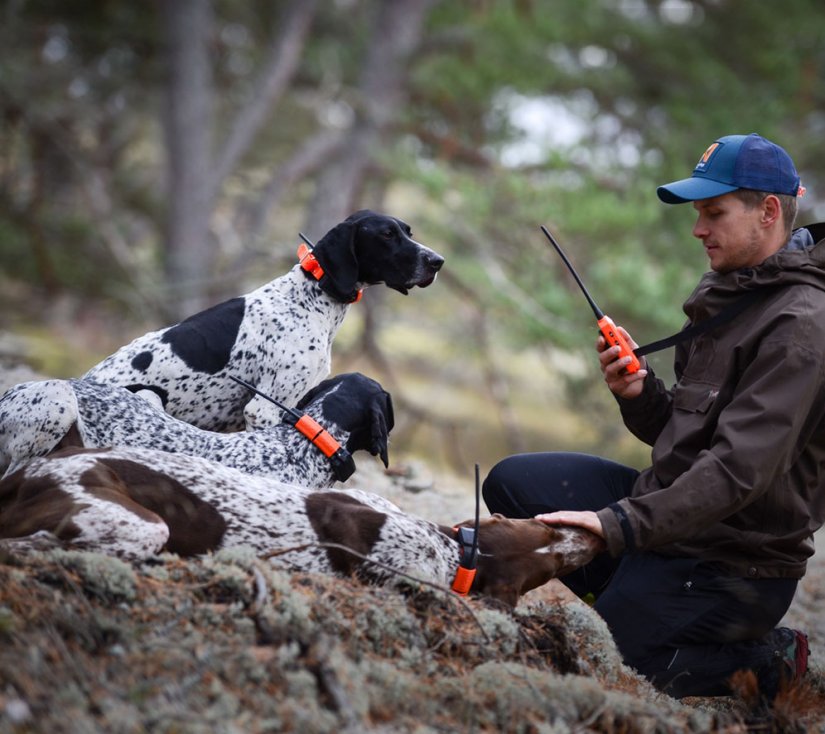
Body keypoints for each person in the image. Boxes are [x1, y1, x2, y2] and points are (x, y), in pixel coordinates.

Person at [483, 133, 824, 700]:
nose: (698, 230)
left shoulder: (802, 325)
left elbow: (737, 472)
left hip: (734, 562)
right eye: (697, 214)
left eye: (714, 213)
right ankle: (632, 600)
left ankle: (771, 660)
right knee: (514, 483)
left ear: (768, 211)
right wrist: (640, 393)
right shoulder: (729, 288)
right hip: (673, 520)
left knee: (606, 657)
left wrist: (617, 524)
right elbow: (685, 437)